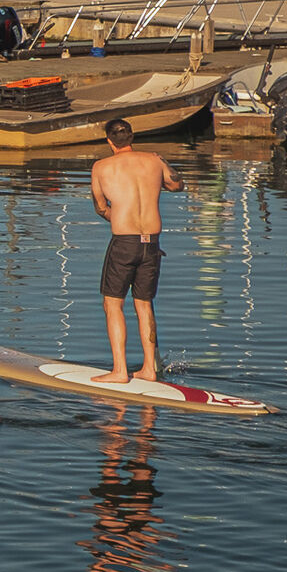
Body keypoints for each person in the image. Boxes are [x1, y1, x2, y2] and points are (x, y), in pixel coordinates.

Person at [89, 117, 183, 383]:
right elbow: (178, 184)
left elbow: (99, 206)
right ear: (132, 138)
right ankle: (149, 369)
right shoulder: (153, 161)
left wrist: (116, 216)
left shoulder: (101, 167)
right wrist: (160, 164)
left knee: (113, 304)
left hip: (124, 244)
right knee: (144, 305)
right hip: (151, 243)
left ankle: (119, 371)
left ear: (109, 141)